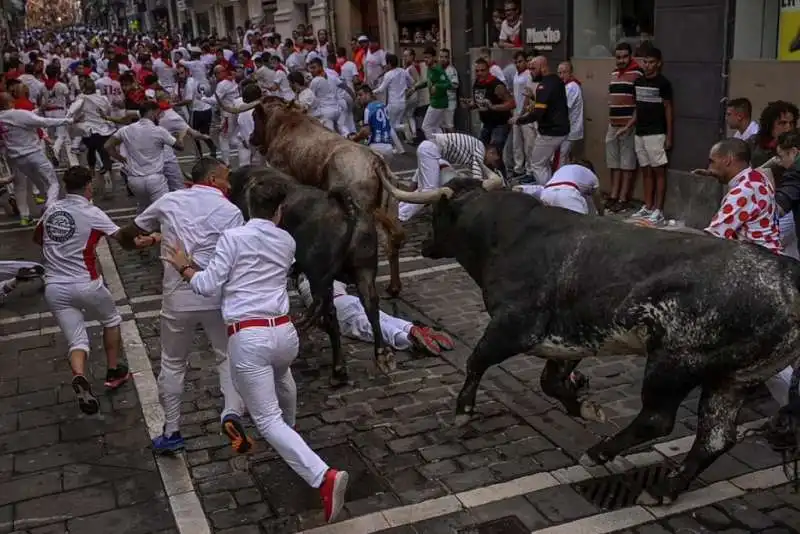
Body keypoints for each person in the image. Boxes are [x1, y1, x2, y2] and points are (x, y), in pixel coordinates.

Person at [161, 174, 350, 524]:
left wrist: (184, 265)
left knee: (266, 418)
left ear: (249, 207)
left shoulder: (233, 239)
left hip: (249, 338)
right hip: (283, 333)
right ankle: (290, 434)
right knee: (283, 378)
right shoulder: (287, 241)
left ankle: (322, 476)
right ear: (279, 211)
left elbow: (206, 285)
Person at [117, 157, 250, 454]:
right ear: (214, 179)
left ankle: (172, 429)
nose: (229, 185)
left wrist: (146, 240)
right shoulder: (231, 211)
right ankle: (230, 411)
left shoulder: (170, 201)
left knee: (173, 363)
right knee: (225, 357)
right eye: (226, 178)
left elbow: (129, 232)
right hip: (216, 295)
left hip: (177, 297)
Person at [692, 138, 795, 406]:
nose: (710, 167)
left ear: (728, 160)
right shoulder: (757, 179)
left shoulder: (742, 192)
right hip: (770, 268)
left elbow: (713, 237)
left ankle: (793, 411)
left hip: (757, 276)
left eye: (713, 162)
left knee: (766, 356)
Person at [34, 166, 143, 414]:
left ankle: (80, 375)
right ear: (88, 187)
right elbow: (122, 239)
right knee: (111, 319)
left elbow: (38, 239)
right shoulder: (92, 212)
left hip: (55, 287)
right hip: (86, 282)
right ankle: (114, 370)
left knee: (77, 339)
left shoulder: (52, 209)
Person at [297, 276, 454, 355]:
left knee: (370, 328)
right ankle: (414, 328)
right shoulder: (333, 270)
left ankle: (409, 339)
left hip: (336, 306)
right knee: (381, 318)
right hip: (351, 299)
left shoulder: (305, 280)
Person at [0, 92, 72, 226]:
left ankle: (24, 216)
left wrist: (40, 109)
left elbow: (26, 117)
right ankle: (50, 207)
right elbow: (42, 121)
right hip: (34, 154)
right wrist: (68, 120)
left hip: (16, 158)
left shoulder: (3, 118)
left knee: (23, 185)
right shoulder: (18, 114)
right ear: (11, 102)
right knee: (53, 183)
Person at [622, 47, 673, 226]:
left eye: (651, 62)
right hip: (640, 132)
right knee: (645, 171)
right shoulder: (638, 82)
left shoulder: (663, 83)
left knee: (659, 171)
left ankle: (658, 210)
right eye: (645, 61)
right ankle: (648, 205)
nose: (648, 65)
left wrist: (669, 135)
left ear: (658, 63)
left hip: (656, 132)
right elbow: (638, 108)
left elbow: (668, 108)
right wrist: (628, 126)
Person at [105, 100, 182, 212]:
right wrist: (179, 136)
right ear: (151, 112)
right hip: (155, 179)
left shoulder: (126, 130)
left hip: (135, 181)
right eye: (158, 113)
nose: (159, 117)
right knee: (165, 211)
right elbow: (180, 147)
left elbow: (107, 145)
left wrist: (119, 158)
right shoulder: (159, 131)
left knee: (143, 210)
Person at [400, 133, 492, 222]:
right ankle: (400, 216)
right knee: (430, 193)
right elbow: (477, 181)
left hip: (428, 149)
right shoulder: (480, 151)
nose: (492, 164)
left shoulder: (475, 147)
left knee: (423, 190)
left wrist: (415, 181)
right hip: (431, 151)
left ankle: (398, 209)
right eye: (495, 160)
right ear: (492, 152)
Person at [510, 56, 570, 185]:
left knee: (536, 164)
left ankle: (547, 193)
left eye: (533, 69)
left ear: (543, 67)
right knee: (544, 164)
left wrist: (518, 120)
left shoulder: (544, 86)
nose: (530, 72)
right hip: (560, 129)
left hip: (551, 132)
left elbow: (537, 114)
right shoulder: (556, 81)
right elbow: (550, 104)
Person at [604, 43, 643, 213]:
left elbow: (639, 104)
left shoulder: (637, 74)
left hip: (628, 126)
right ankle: (613, 195)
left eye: (624, 57)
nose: (621, 60)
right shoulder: (614, 73)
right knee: (614, 163)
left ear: (630, 56)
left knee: (627, 164)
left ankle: (623, 197)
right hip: (613, 125)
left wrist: (628, 125)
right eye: (618, 57)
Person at [513, 159, 603, 215]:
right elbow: (597, 198)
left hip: (547, 195)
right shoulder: (591, 175)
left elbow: (546, 189)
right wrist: (601, 214)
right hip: (568, 194)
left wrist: (524, 189)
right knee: (583, 225)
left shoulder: (562, 169)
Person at [408, 46, 451, 139]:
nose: (426, 60)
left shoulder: (438, 70)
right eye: (425, 57)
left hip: (438, 103)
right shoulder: (430, 69)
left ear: (434, 58)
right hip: (436, 102)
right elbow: (427, 82)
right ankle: (443, 145)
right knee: (435, 127)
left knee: (426, 127)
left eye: (428, 57)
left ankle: (433, 147)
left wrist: (437, 86)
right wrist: (415, 87)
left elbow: (448, 84)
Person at [352, 85, 394, 160]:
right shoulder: (383, 105)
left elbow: (365, 132)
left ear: (368, 94)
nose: (358, 98)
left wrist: (354, 139)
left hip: (376, 148)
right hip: (389, 148)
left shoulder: (369, 108)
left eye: (360, 95)